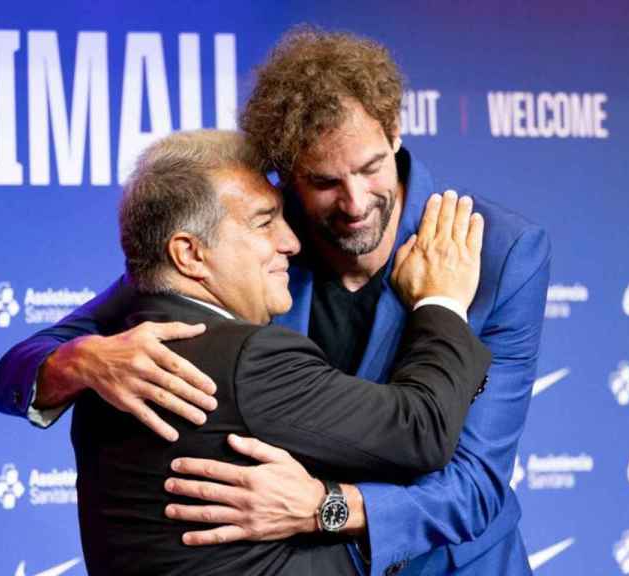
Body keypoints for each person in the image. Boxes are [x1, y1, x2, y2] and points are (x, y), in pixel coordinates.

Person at [0, 28, 550, 576]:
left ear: (395, 131)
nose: (355, 203)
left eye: (370, 168)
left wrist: (323, 508)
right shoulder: (253, 236)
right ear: (285, 173)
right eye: (325, 181)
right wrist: (78, 362)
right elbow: (31, 358)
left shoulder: (500, 252)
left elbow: (475, 484)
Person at [64, 129, 489, 575]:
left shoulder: (103, 366)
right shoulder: (244, 359)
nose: (291, 242)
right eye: (264, 222)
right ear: (189, 254)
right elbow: (422, 428)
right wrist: (441, 302)